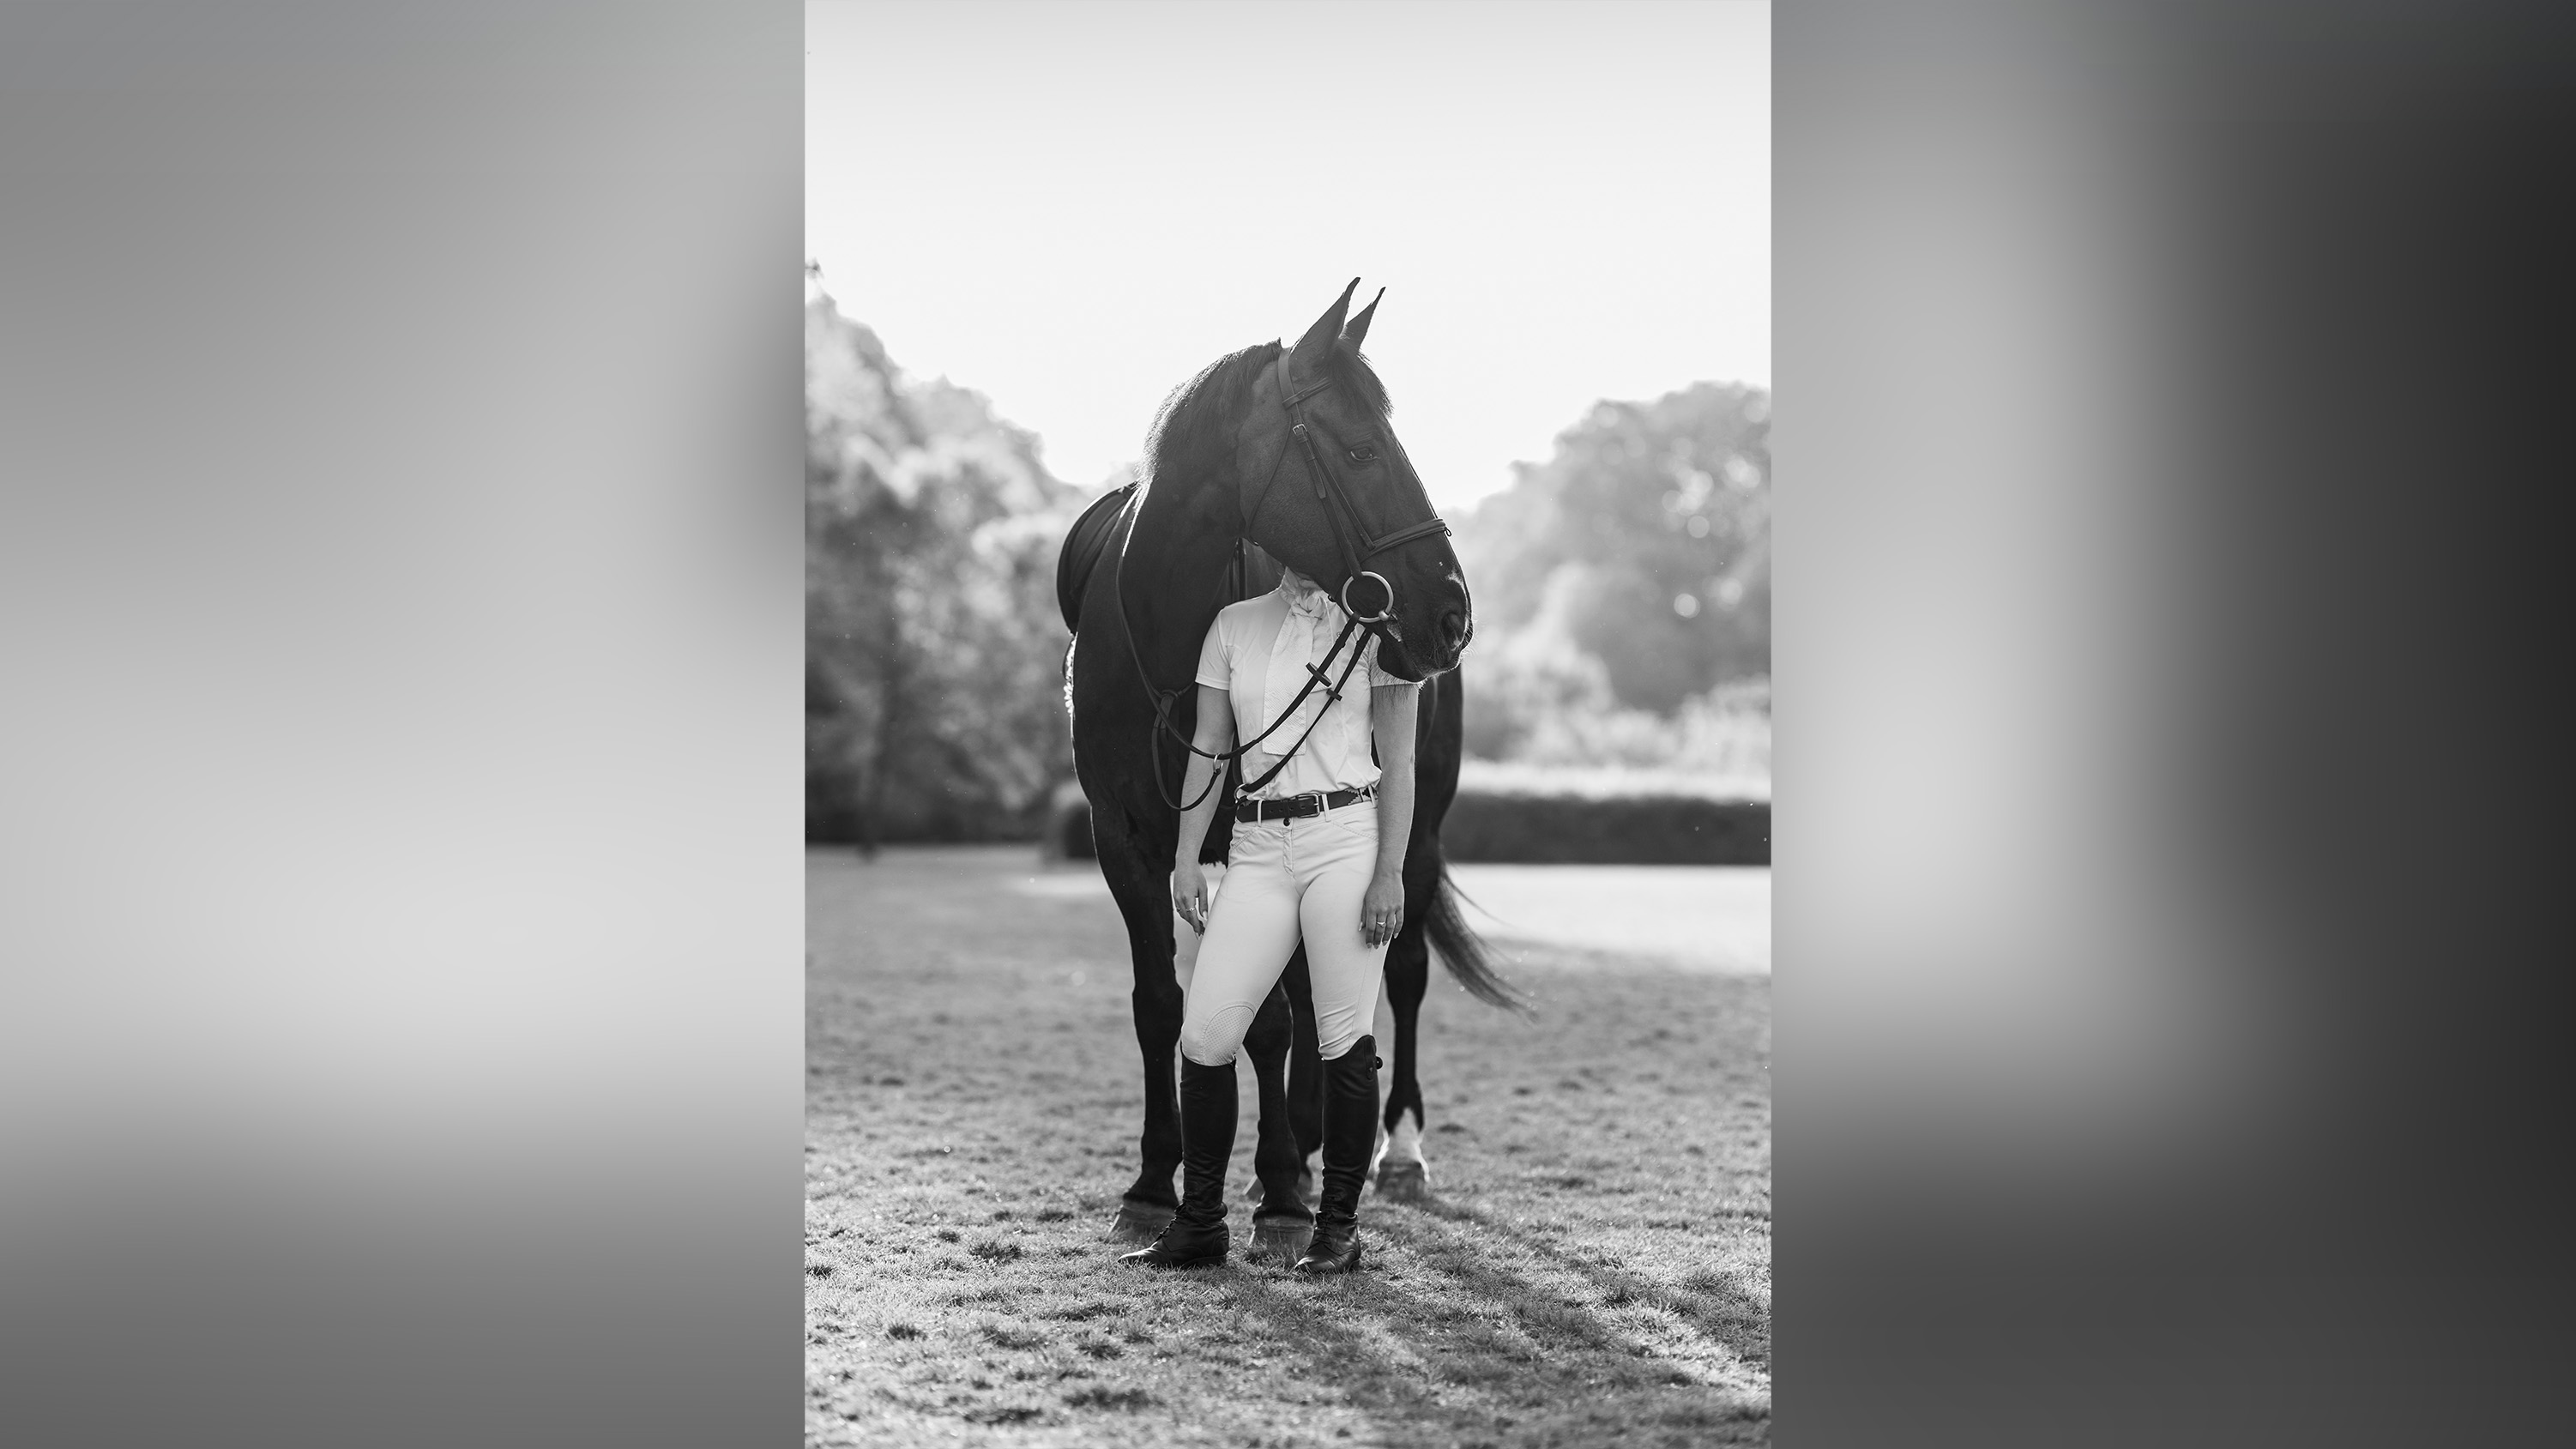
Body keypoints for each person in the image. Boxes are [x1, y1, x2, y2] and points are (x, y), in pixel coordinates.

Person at [1120, 565, 1419, 1273]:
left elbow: (1400, 762)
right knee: (1205, 1032)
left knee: (1343, 1035)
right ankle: (1199, 1225)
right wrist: (1187, 855)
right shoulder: (1232, 625)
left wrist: (1388, 873)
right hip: (1254, 845)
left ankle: (1337, 1230)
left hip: (1345, 837)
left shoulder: (1377, 622)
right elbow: (1210, 748)